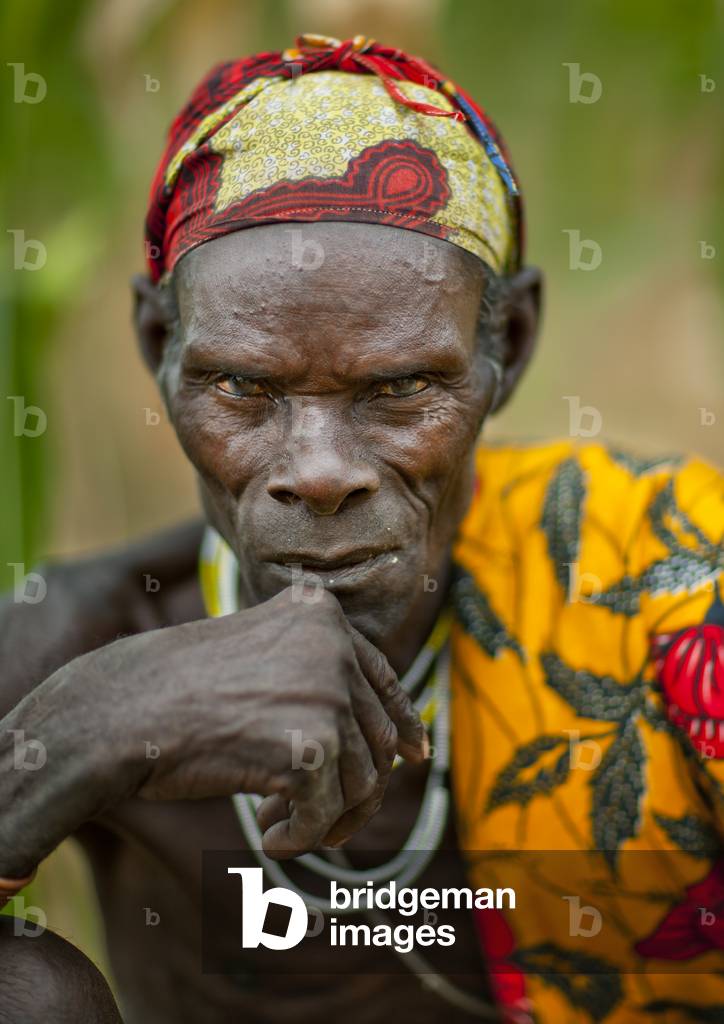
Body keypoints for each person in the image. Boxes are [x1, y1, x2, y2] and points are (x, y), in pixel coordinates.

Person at [1, 33, 722, 1024]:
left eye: (400, 388)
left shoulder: (661, 597)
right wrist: (81, 730)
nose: (319, 471)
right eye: (243, 387)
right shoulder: (84, 638)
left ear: (506, 345)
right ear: (157, 348)